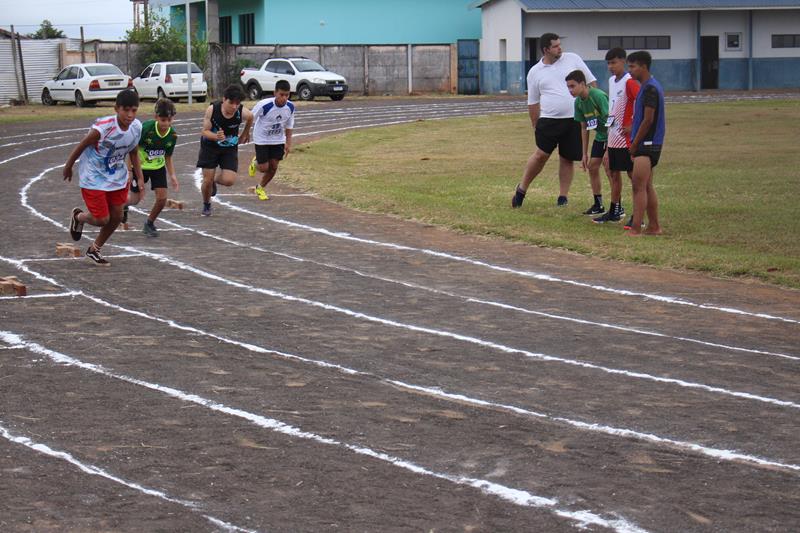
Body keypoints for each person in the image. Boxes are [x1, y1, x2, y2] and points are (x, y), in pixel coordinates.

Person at [512, 32, 596, 209]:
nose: (560, 48)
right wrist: (535, 124)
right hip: (549, 121)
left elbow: (591, 83)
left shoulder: (573, 59)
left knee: (567, 158)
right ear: (546, 50)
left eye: (560, 44)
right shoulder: (535, 72)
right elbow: (533, 102)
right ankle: (521, 190)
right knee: (540, 155)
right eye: (556, 46)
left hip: (573, 120)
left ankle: (562, 197)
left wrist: (592, 108)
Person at [63, 89, 144, 266]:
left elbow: (134, 152)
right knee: (101, 219)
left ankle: (94, 249)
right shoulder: (104, 128)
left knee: (117, 217)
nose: (130, 115)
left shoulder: (137, 127)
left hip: (116, 176)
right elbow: (82, 144)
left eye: (134, 110)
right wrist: (68, 165)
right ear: (117, 109)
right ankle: (78, 217)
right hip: (93, 177)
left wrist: (140, 176)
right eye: (126, 110)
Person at [594, 47, 640, 224]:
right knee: (613, 173)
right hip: (613, 137)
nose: (610, 67)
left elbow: (641, 102)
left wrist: (634, 124)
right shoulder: (612, 81)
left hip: (627, 139)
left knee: (633, 176)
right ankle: (614, 211)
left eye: (613, 62)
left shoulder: (630, 82)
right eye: (608, 63)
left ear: (623, 61)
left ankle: (638, 216)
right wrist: (607, 138)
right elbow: (612, 111)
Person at [124, 97, 179, 237]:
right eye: (163, 120)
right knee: (135, 200)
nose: (166, 124)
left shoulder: (172, 135)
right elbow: (132, 149)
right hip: (140, 167)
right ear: (156, 117)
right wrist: (130, 169)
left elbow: (168, 156)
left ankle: (149, 223)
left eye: (169, 120)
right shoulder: (146, 129)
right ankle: (123, 205)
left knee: (162, 198)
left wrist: (172, 175)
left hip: (158, 168)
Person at [197, 84, 253, 216]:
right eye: (231, 103)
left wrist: (245, 133)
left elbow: (250, 117)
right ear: (224, 99)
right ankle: (206, 204)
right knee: (206, 181)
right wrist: (215, 136)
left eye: (237, 103)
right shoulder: (212, 110)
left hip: (229, 148)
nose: (234, 106)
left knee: (229, 180)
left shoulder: (241, 111)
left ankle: (213, 181)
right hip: (210, 146)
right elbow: (204, 131)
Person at [627, 50, 665, 236]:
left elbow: (648, 119)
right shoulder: (647, 86)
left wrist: (635, 144)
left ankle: (635, 228)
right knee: (647, 185)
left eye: (632, 66)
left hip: (647, 143)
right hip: (647, 142)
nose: (630, 71)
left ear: (643, 66)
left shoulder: (650, 88)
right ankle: (654, 226)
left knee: (638, 185)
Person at [565, 69, 609, 216]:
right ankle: (598, 204)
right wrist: (584, 154)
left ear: (583, 84)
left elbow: (611, 121)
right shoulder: (578, 103)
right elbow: (584, 127)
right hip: (600, 137)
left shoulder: (598, 96)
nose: (570, 90)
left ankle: (617, 205)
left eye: (572, 86)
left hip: (612, 135)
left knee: (611, 170)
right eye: (568, 87)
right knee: (592, 167)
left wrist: (609, 148)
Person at [247, 79, 295, 201]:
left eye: (287, 95)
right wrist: (245, 133)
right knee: (264, 168)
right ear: (275, 93)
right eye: (281, 95)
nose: (284, 98)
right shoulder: (264, 105)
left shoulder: (290, 107)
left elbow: (289, 126)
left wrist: (288, 143)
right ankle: (255, 162)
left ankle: (260, 188)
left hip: (277, 139)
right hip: (262, 139)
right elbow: (250, 118)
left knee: (273, 167)